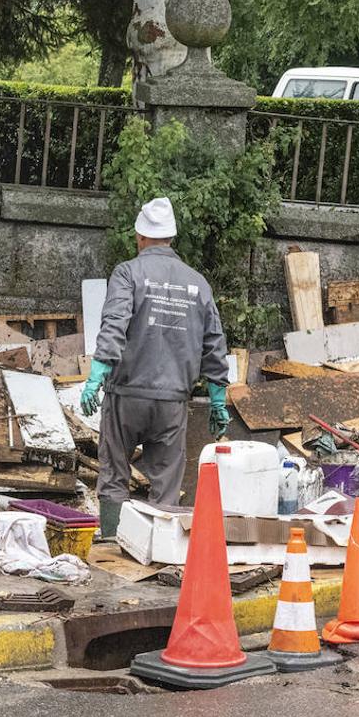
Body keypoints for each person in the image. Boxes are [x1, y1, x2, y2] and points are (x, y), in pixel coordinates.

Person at [81, 196, 230, 536]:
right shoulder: (198, 283)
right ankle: (160, 550)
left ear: (140, 236)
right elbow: (214, 344)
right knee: (165, 484)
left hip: (126, 397)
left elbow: (114, 324)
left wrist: (97, 376)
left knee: (115, 475)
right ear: (171, 237)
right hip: (172, 403)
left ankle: (110, 544)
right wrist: (218, 399)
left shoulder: (128, 273)